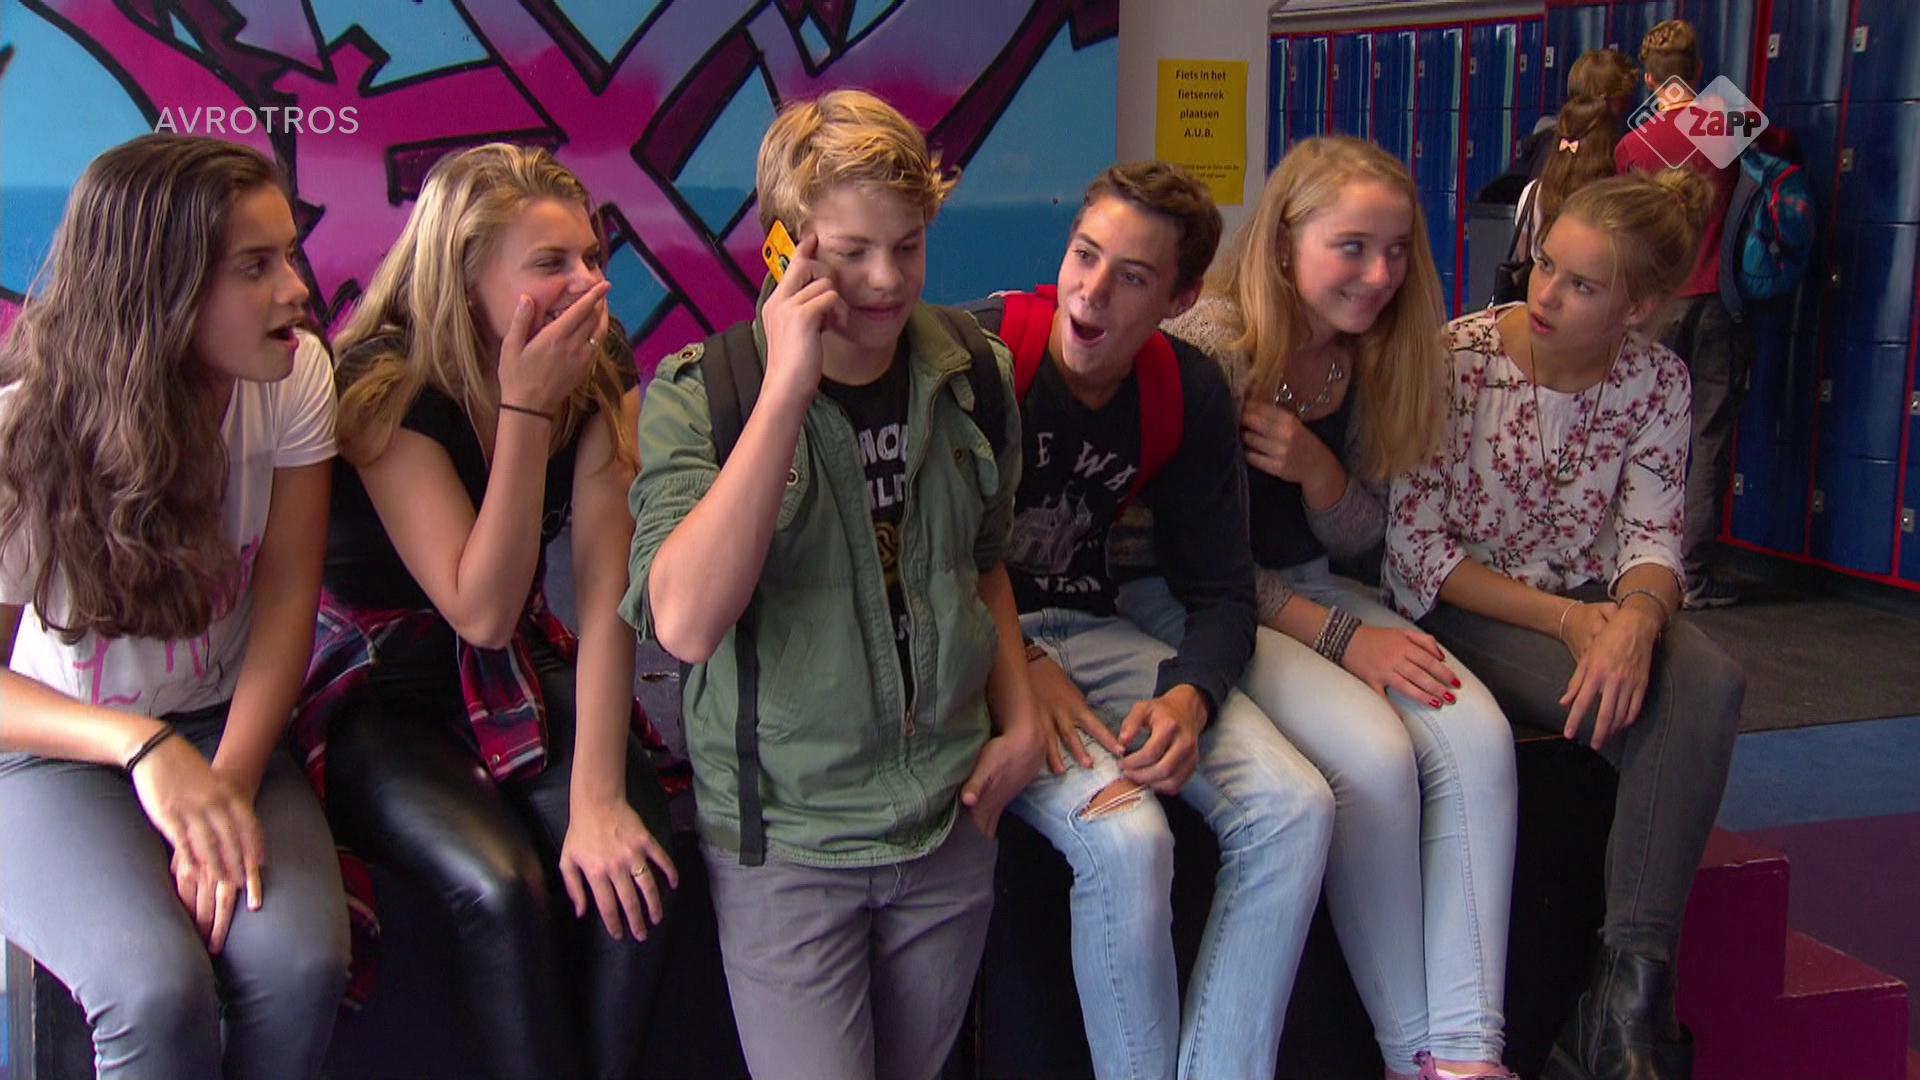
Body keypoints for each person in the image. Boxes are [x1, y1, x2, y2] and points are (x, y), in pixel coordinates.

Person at [624, 89, 1044, 1080]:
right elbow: (684, 623)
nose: (886, 280)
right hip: (792, 843)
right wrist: (786, 391)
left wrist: (1022, 723)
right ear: (786, 250)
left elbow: (983, 563)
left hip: (946, 822)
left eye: (908, 246)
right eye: (852, 252)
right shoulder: (704, 394)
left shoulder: (973, 372)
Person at [1114, 137, 1518, 1080]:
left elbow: (1362, 535)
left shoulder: (1372, 354)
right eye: (1352, 248)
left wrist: (1318, 471)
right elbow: (1198, 562)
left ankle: (1467, 1053)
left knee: (1480, 737)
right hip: (1201, 600)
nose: (1379, 276)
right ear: (1285, 239)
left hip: (1315, 587)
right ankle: (1414, 1050)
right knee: (1374, 757)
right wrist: (1349, 641)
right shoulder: (1216, 346)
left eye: (1396, 251)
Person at [307, 143, 675, 1079]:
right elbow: (480, 606)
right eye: (550, 263)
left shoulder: (597, 364)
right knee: (503, 889)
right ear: (466, 277)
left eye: (591, 256)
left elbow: (607, 590)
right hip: (380, 688)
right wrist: (525, 413)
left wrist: (598, 800)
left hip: (513, 666)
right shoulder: (383, 384)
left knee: (634, 865)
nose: (587, 283)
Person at [967, 161, 1335, 1080]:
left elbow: (1222, 594)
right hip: (982, 650)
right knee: (1130, 840)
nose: (1091, 292)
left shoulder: (1186, 389)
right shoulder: (980, 358)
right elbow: (920, 566)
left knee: (1295, 809)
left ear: (1179, 299)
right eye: (1084, 255)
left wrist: (1189, 700)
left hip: (1095, 629)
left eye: (1131, 277)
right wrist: (1019, 671)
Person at [0, 133, 349, 1078]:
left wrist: (225, 786)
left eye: (289, 255)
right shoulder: (21, 431)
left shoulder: (298, 378)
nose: (297, 290)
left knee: (303, 967)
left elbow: (288, 600)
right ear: (160, 289)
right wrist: (144, 750)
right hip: (54, 752)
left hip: (225, 729)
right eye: (255, 266)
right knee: (156, 992)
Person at [1385, 168, 1745, 1080]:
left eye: (1582, 285)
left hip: (1590, 599)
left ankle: (1626, 988)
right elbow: (1418, 549)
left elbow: (1652, 537)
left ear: (1638, 308)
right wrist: (1574, 620)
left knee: (1711, 681)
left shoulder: (1657, 380)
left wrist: (1637, 618)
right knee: (1657, 712)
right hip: (1469, 603)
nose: (1545, 293)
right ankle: (1623, 1021)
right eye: (1546, 264)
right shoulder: (1458, 359)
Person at [1614, 18, 1744, 608]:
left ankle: (1633, 560)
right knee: (1708, 435)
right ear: (1697, 71)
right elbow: (1784, 150)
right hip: (1716, 298)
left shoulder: (1630, 147)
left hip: (1654, 305)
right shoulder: (1721, 127)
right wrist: (1716, 102)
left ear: (1648, 79)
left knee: (1637, 430)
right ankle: (1692, 572)